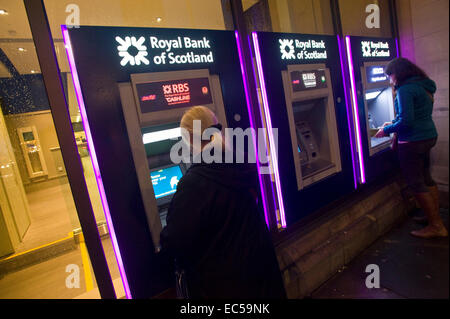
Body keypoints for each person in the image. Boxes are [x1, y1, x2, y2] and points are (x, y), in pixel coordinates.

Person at [160, 106, 286, 298]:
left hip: (224, 284)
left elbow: (174, 241)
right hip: (260, 273)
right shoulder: (240, 162)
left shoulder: (194, 183)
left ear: (190, 140)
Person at [374, 57, 448, 239]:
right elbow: (415, 114)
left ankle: (436, 226)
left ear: (398, 73)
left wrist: (386, 130)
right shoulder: (423, 85)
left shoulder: (405, 90)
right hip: (428, 135)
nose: (390, 80)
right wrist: (392, 123)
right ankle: (433, 217)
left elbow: (407, 121)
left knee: (415, 182)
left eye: (390, 75)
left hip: (413, 141)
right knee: (427, 178)